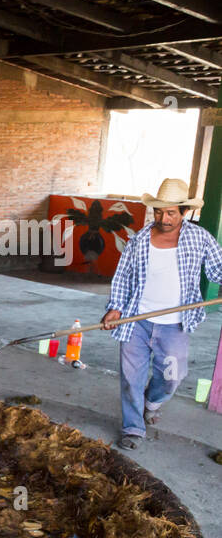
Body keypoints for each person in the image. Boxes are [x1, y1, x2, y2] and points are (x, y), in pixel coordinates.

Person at [100, 178, 222, 450]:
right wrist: (114, 308)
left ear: (184, 212)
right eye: (158, 212)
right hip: (136, 321)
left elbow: (218, 269)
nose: (163, 218)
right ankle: (133, 428)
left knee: (172, 377)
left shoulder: (200, 238)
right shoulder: (140, 239)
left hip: (174, 324)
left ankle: (151, 402)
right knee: (131, 379)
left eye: (170, 213)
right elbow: (123, 277)